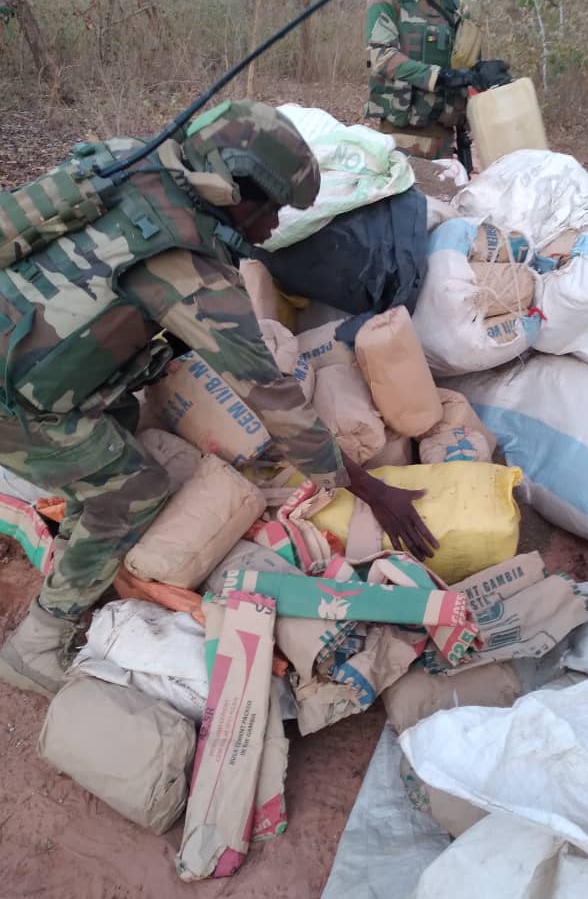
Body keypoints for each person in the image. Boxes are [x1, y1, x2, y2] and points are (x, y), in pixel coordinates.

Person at [0, 100, 437, 698]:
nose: (273, 228)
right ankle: (37, 645)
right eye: (274, 209)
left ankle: (82, 546)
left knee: (121, 417)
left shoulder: (134, 168)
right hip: (14, 403)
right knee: (135, 492)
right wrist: (369, 487)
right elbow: (273, 397)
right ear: (237, 192)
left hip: (19, 341)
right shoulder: (184, 268)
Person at [364, 0, 510, 162]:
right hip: (400, 137)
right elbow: (383, 58)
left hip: (445, 138)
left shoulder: (455, 4)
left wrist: (482, 74)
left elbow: (466, 62)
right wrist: (444, 76)